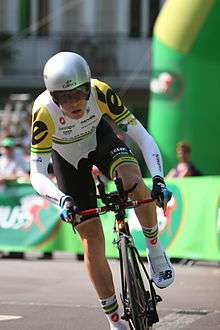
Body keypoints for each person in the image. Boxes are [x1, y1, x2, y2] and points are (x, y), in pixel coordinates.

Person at [30, 51, 175, 330]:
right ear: (53, 95)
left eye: (79, 93)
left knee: (133, 180)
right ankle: (115, 320)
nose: (73, 102)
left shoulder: (101, 93)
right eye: (63, 96)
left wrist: (158, 179)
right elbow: (36, 172)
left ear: (89, 86)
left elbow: (142, 137)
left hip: (101, 142)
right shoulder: (43, 112)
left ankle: (155, 251)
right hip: (67, 160)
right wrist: (62, 199)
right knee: (90, 235)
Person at [0, 136, 29, 259]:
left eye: (10, 148)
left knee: (17, 223)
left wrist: (7, 178)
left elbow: (23, 176)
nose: (8, 150)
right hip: (3, 199)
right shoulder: (1, 161)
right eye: (6, 147)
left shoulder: (18, 160)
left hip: (15, 200)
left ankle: (17, 250)